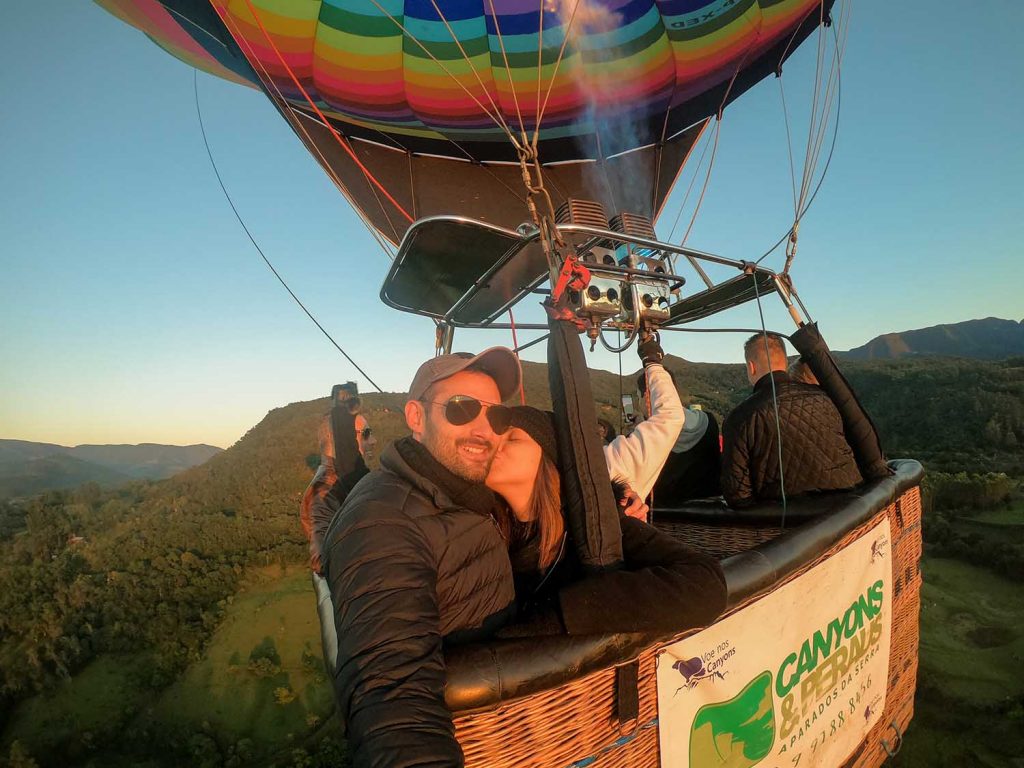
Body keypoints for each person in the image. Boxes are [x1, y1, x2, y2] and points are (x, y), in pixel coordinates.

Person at [322, 348, 522, 768]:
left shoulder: (461, 496)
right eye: (461, 409)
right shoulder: (383, 520)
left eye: (497, 417)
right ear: (416, 417)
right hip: (480, 741)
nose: (483, 429)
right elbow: (392, 697)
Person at [485, 406, 728, 635]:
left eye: (511, 438)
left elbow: (706, 585)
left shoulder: (597, 526)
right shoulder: (480, 526)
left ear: (550, 458)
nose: (493, 443)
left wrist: (554, 619)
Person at [720, 333, 862, 508]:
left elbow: (737, 495)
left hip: (791, 527)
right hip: (850, 511)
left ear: (751, 367)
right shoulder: (827, 398)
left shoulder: (740, 417)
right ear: (785, 362)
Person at [602, 335, 685, 504]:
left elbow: (668, 418)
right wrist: (653, 362)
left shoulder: (605, 463)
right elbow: (670, 415)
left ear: (647, 396)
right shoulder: (708, 421)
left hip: (665, 504)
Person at [300, 383, 369, 574]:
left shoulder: (348, 480)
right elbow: (321, 560)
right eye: (366, 434)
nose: (373, 441)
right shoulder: (325, 491)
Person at [639, 371, 722, 505]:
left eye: (639, 397)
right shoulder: (709, 421)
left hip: (667, 514)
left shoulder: (650, 435)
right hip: (712, 508)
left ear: (646, 397)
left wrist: (639, 430)